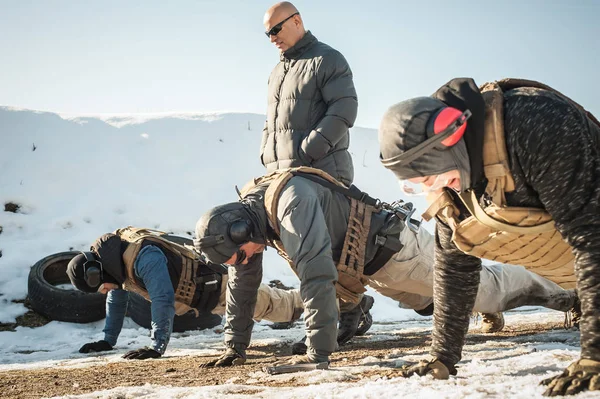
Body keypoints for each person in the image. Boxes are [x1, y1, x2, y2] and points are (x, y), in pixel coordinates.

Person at [194, 167, 578, 369]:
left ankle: (573, 291)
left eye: (240, 253)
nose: (246, 261)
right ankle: (494, 307)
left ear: (239, 228)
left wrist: (317, 353)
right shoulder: (251, 222)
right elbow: (242, 285)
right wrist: (235, 347)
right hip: (377, 268)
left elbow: (316, 278)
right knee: (438, 306)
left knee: (483, 290)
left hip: (398, 252)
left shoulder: (291, 203)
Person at [378, 77, 598, 396]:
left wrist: (594, 355)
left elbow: (592, 237)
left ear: (450, 139)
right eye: (414, 185)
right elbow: (454, 267)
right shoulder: (452, 181)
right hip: (570, 264)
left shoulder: (534, 123)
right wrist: (442, 357)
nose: (431, 189)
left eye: (428, 177)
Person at [66, 227, 374, 359]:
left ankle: (346, 300)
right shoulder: (117, 262)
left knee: (283, 309)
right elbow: (116, 297)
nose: (104, 290)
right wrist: (107, 340)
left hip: (223, 287)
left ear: (98, 272)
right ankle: (342, 299)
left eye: (99, 285)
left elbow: (161, 298)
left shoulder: (143, 256)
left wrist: (157, 346)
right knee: (281, 306)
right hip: (207, 296)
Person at [260, 2, 358, 186]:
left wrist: (307, 152)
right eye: (268, 33)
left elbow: (344, 109)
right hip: (281, 178)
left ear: (296, 20)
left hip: (321, 176)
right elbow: (271, 120)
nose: (272, 39)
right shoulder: (276, 73)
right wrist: (266, 153)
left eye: (276, 30)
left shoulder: (327, 59)